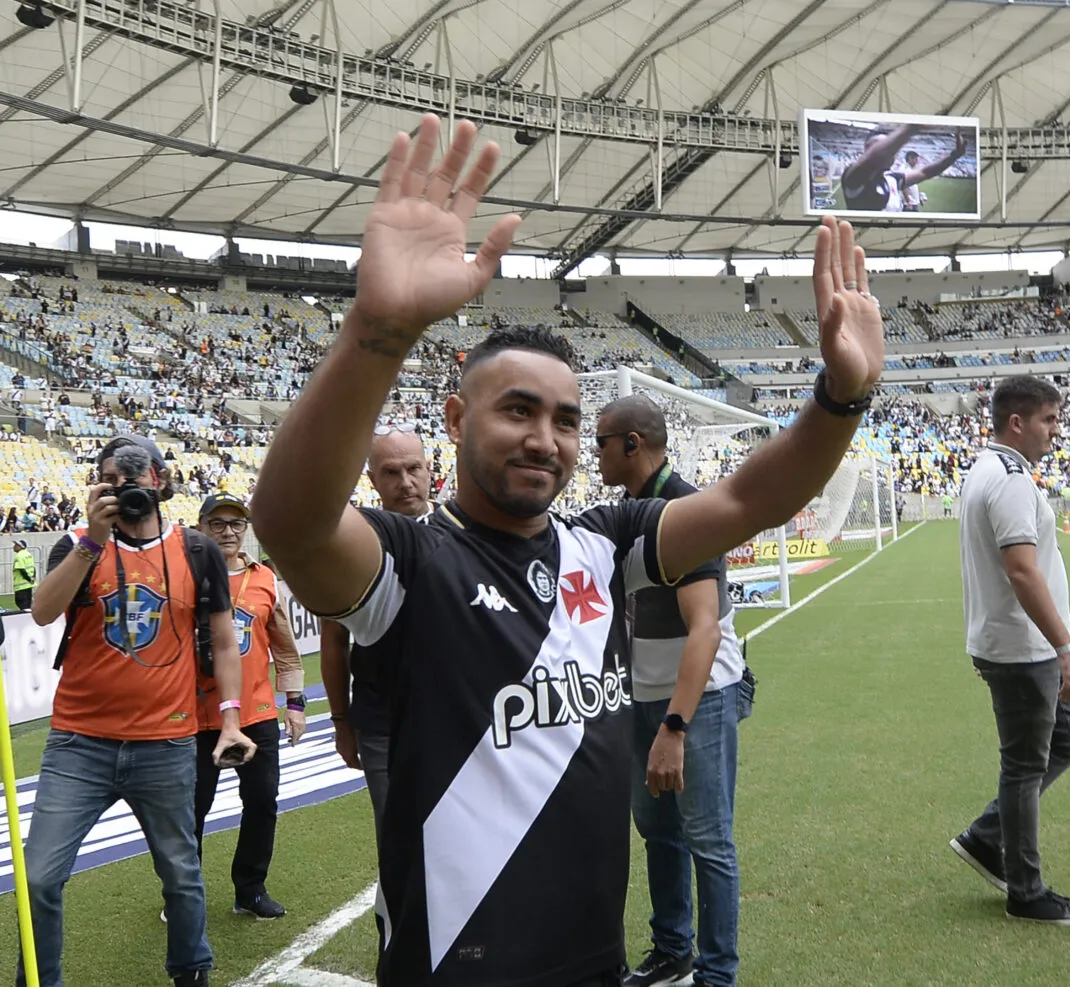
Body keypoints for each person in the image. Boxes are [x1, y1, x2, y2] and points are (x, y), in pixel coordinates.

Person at [251, 114, 884, 987]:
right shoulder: (412, 562)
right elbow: (291, 523)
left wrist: (840, 399)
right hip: (457, 966)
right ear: (457, 419)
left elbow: (753, 497)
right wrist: (378, 330)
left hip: (594, 960)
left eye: (566, 419)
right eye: (518, 409)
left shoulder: (605, 544)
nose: (545, 437)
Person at [20, 435, 256, 987]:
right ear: (97, 486)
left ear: (161, 482)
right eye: (112, 478)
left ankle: (191, 971)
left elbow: (224, 642)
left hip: (165, 743)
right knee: (38, 878)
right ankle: (38, 979)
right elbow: (40, 612)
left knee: (181, 874)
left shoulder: (196, 550)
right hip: (79, 742)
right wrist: (91, 543)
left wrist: (229, 719)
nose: (125, 487)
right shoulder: (77, 544)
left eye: (136, 476)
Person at [595, 395, 745, 987]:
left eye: (602, 440)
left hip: (695, 700)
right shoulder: (632, 508)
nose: (595, 452)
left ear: (633, 444)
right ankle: (673, 951)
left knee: (707, 839)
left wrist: (674, 727)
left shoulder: (685, 510)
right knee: (657, 830)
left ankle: (717, 975)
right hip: (643, 694)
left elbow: (704, 628)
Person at [950, 376, 1070, 927]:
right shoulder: (1009, 479)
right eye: (1049, 420)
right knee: (1024, 765)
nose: (1056, 432)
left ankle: (989, 838)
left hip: (1015, 642)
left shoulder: (989, 469)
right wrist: (1065, 647)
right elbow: (1020, 570)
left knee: (1068, 739)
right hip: (1022, 647)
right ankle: (1025, 890)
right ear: (1018, 422)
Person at [192, 492, 307, 920]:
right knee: (192, 809)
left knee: (262, 801)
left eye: (235, 524)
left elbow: (287, 652)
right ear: (201, 527)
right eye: (217, 523)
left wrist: (294, 702)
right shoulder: (186, 576)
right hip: (198, 715)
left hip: (257, 714)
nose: (227, 532)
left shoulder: (265, 581)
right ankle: (182, 892)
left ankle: (250, 888)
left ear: (246, 530)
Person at [321, 426, 434, 845]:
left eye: (413, 469)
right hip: (383, 724)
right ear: (372, 480)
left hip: (459, 718)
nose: (405, 482)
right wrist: (340, 721)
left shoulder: (463, 531)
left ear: (429, 470)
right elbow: (333, 642)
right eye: (390, 472)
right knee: (399, 843)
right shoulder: (353, 545)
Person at [839, 125, 967, 213]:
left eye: (892, 149)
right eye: (886, 147)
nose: (891, 152)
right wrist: (912, 127)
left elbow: (925, 172)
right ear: (867, 149)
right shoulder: (853, 178)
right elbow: (874, 159)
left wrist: (954, 156)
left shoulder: (892, 178)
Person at [12, 538, 35, 611]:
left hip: (21, 585)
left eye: (16, 545)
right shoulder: (29, 554)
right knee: (28, 605)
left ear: (21, 547)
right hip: (29, 584)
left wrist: (28, 578)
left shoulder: (19, 556)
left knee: (21, 604)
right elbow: (33, 568)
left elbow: (21, 569)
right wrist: (32, 578)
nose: (14, 546)